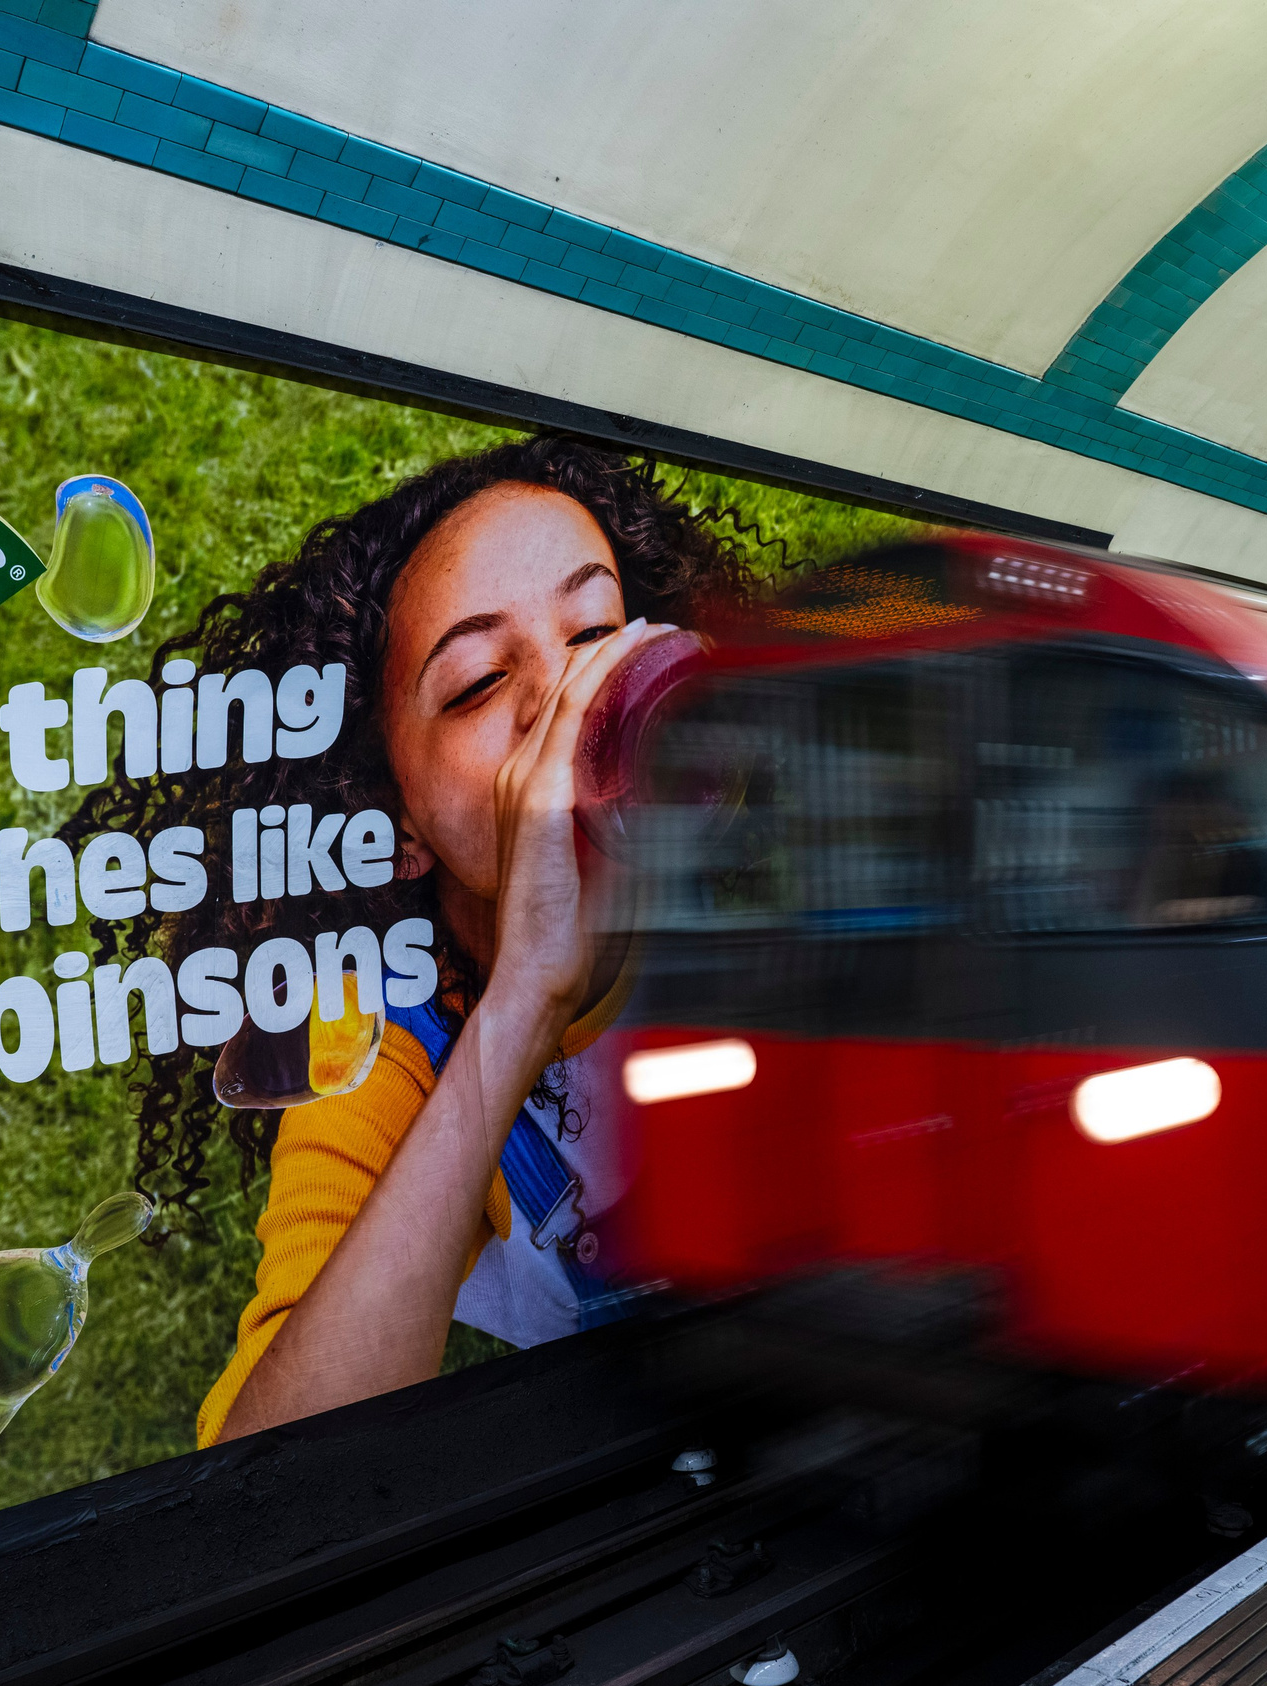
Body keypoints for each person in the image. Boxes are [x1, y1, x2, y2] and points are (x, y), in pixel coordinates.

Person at [66, 437, 771, 1445]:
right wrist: (522, 1003)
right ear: (389, 819)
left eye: (596, 631)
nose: (568, 703)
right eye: (480, 682)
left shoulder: (730, 869)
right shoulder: (382, 1032)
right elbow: (267, 1473)